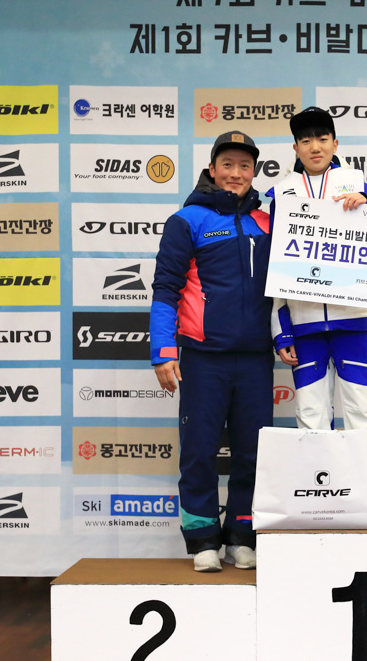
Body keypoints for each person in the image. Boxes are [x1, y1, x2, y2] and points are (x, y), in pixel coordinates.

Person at [150, 131, 273, 572]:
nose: (236, 173)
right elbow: (166, 288)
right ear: (212, 169)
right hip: (203, 357)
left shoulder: (269, 220)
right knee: (199, 451)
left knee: (253, 454)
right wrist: (163, 350)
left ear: (254, 171)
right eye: (228, 164)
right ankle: (202, 539)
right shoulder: (187, 220)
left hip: (256, 358)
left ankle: (242, 535)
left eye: (244, 166)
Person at [268, 107, 367, 432]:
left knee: (363, 412)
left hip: (354, 322)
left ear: (335, 143)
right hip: (305, 327)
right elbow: (276, 269)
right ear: (295, 148)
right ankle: (317, 469)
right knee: (310, 417)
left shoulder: (359, 186)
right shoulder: (282, 194)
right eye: (306, 140)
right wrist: (282, 331)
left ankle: (364, 470)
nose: (315, 147)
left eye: (322, 139)